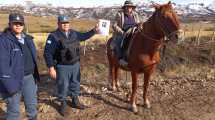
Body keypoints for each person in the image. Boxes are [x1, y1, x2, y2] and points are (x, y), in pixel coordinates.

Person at [43, 15, 99, 116]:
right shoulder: (53, 36)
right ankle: (63, 103)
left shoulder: (73, 33)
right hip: (62, 66)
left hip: (75, 64)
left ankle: (75, 99)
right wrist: (51, 68)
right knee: (63, 85)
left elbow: (83, 36)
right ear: (58, 24)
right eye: (63, 23)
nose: (65, 25)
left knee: (75, 83)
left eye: (67, 23)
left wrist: (93, 31)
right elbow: (47, 53)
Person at [0, 13, 40, 120]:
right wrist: (10, 86)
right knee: (13, 111)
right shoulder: (3, 40)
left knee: (32, 107)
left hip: (29, 78)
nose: (18, 25)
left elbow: (33, 58)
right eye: (15, 23)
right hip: (13, 80)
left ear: (23, 25)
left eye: (20, 23)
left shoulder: (28, 39)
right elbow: (2, 66)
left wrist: (34, 77)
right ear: (10, 24)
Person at [112, 0, 140, 66]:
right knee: (119, 41)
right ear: (124, 8)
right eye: (127, 7)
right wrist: (121, 32)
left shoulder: (135, 14)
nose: (128, 8)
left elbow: (138, 22)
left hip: (133, 30)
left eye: (130, 7)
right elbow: (114, 25)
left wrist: (139, 25)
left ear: (132, 8)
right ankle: (120, 58)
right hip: (123, 32)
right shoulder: (119, 14)